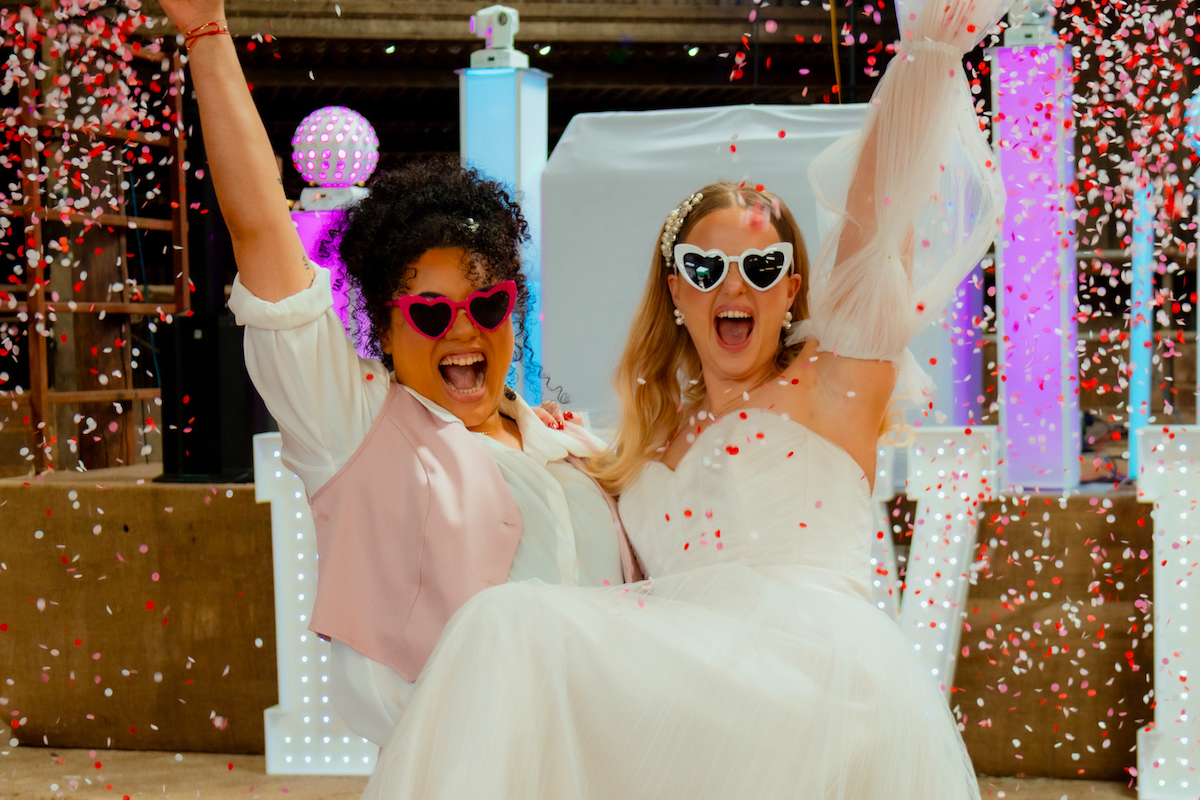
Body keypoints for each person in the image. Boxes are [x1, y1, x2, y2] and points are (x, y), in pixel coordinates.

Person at [360, 0, 1011, 795]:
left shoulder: (830, 385)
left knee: (510, 625)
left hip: (809, 682)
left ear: (794, 288)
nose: (734, 286)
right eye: (707, 270)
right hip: (689, 700)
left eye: (762, 269)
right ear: (676, 290)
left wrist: (926, 56)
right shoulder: (643, 439)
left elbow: (877, 223)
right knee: (505, 629)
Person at [157, 0, 638, 748]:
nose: (465, 329)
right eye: (430, 314)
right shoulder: (358, 431)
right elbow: (259, 232)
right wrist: (207, 34)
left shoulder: (574, 444)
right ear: (382, 327)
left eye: (488, 303)